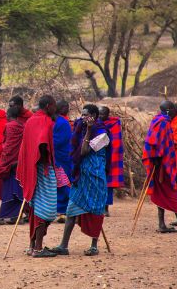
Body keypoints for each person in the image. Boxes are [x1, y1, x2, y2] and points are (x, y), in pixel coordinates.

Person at [51, 104, 109, 256]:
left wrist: (89, 130)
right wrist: (86, 129)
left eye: (86, 115)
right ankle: (63, 245)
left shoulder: (102, 134)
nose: (82, 118)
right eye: (82, 115)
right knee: (71, 210)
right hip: (81, 177)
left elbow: (83, 151)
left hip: (95, 177)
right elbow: (74, 150)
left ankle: (94, 246)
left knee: (96, 211)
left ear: (94, 116)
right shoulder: (80, 129)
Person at [143, 101, 177, 234]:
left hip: (157, 161)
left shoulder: (156, 120)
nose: (175, 111)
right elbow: (166, 144)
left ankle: (162, 224)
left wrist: (155, 158)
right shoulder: (164, 123)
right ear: (168, 110)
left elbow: (153, 141)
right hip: (164, 163)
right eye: (172, 108)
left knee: (160, 192)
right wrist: (160, 158)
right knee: (172, 191)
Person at [16, 95, 59, 258]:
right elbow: (42, 143)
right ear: (48, 106)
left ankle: (32, 246)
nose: (55, 109)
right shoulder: (45, 121)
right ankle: (39, 248)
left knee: (36, 207)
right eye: (54, 106)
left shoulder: (31, 120)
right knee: (46, 208)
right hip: (42, 168)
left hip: (32, 169)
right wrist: (44, 160)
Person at [0, 102, 30, 225]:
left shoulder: (9, 126)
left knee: (8, 189)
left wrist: (3, 164)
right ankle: (18, 215)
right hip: (20, 161)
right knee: (18, 187)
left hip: (9, 162)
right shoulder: (23, 126)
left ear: (8, 115)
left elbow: (7, 146)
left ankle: (3, 215)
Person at [99, 106, 124, 217]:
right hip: (98, 157)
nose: (100, 116)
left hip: (110, 157)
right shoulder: (95, 124)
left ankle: (106, 208)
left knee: (108, 184)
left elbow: (116, 143)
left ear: (108, 115)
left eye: (103, 114)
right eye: (99, 114)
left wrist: (111, 157)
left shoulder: (114, 124)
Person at [53, 100, 73, 223]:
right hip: (57, 158)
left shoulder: (62, 122)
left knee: (65, 183)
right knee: (59, 185)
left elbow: (60, 140)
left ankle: (66, 210)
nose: (67, 109)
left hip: (63, 157)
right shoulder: (59, 122)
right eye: (65, 107)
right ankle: (60, 210)